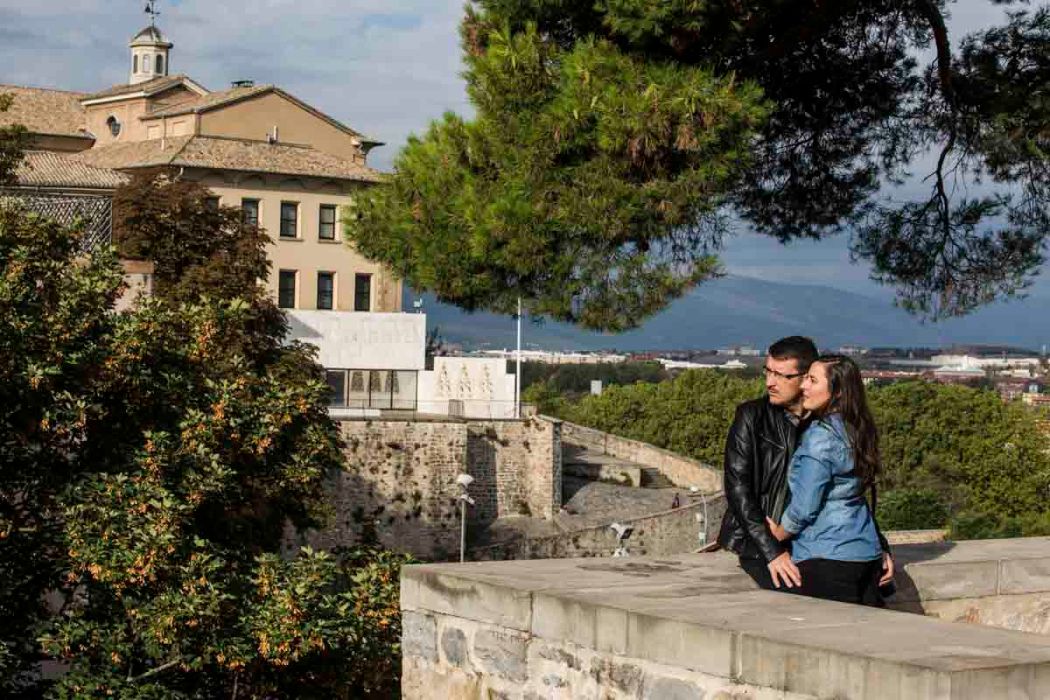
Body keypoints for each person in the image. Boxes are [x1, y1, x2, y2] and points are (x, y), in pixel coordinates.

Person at [766, 355, 893, 606]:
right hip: (866, 554)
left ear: (837, 392)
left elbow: (804, 508)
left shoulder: (820, 437)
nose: (803, 386)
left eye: (813, 381)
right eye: (805, 378)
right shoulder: (858, 428)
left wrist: (775, 537)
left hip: (828, 555)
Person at [716, 336, 818, 590]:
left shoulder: (826, 422)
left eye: (781, 375)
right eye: (768, 371)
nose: (769, 382)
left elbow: (849, 488)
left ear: (806, 378)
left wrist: (877, 545)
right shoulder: (752, 415)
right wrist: (772, 549)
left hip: (812, 539)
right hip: (757, 540)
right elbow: (738, 487)